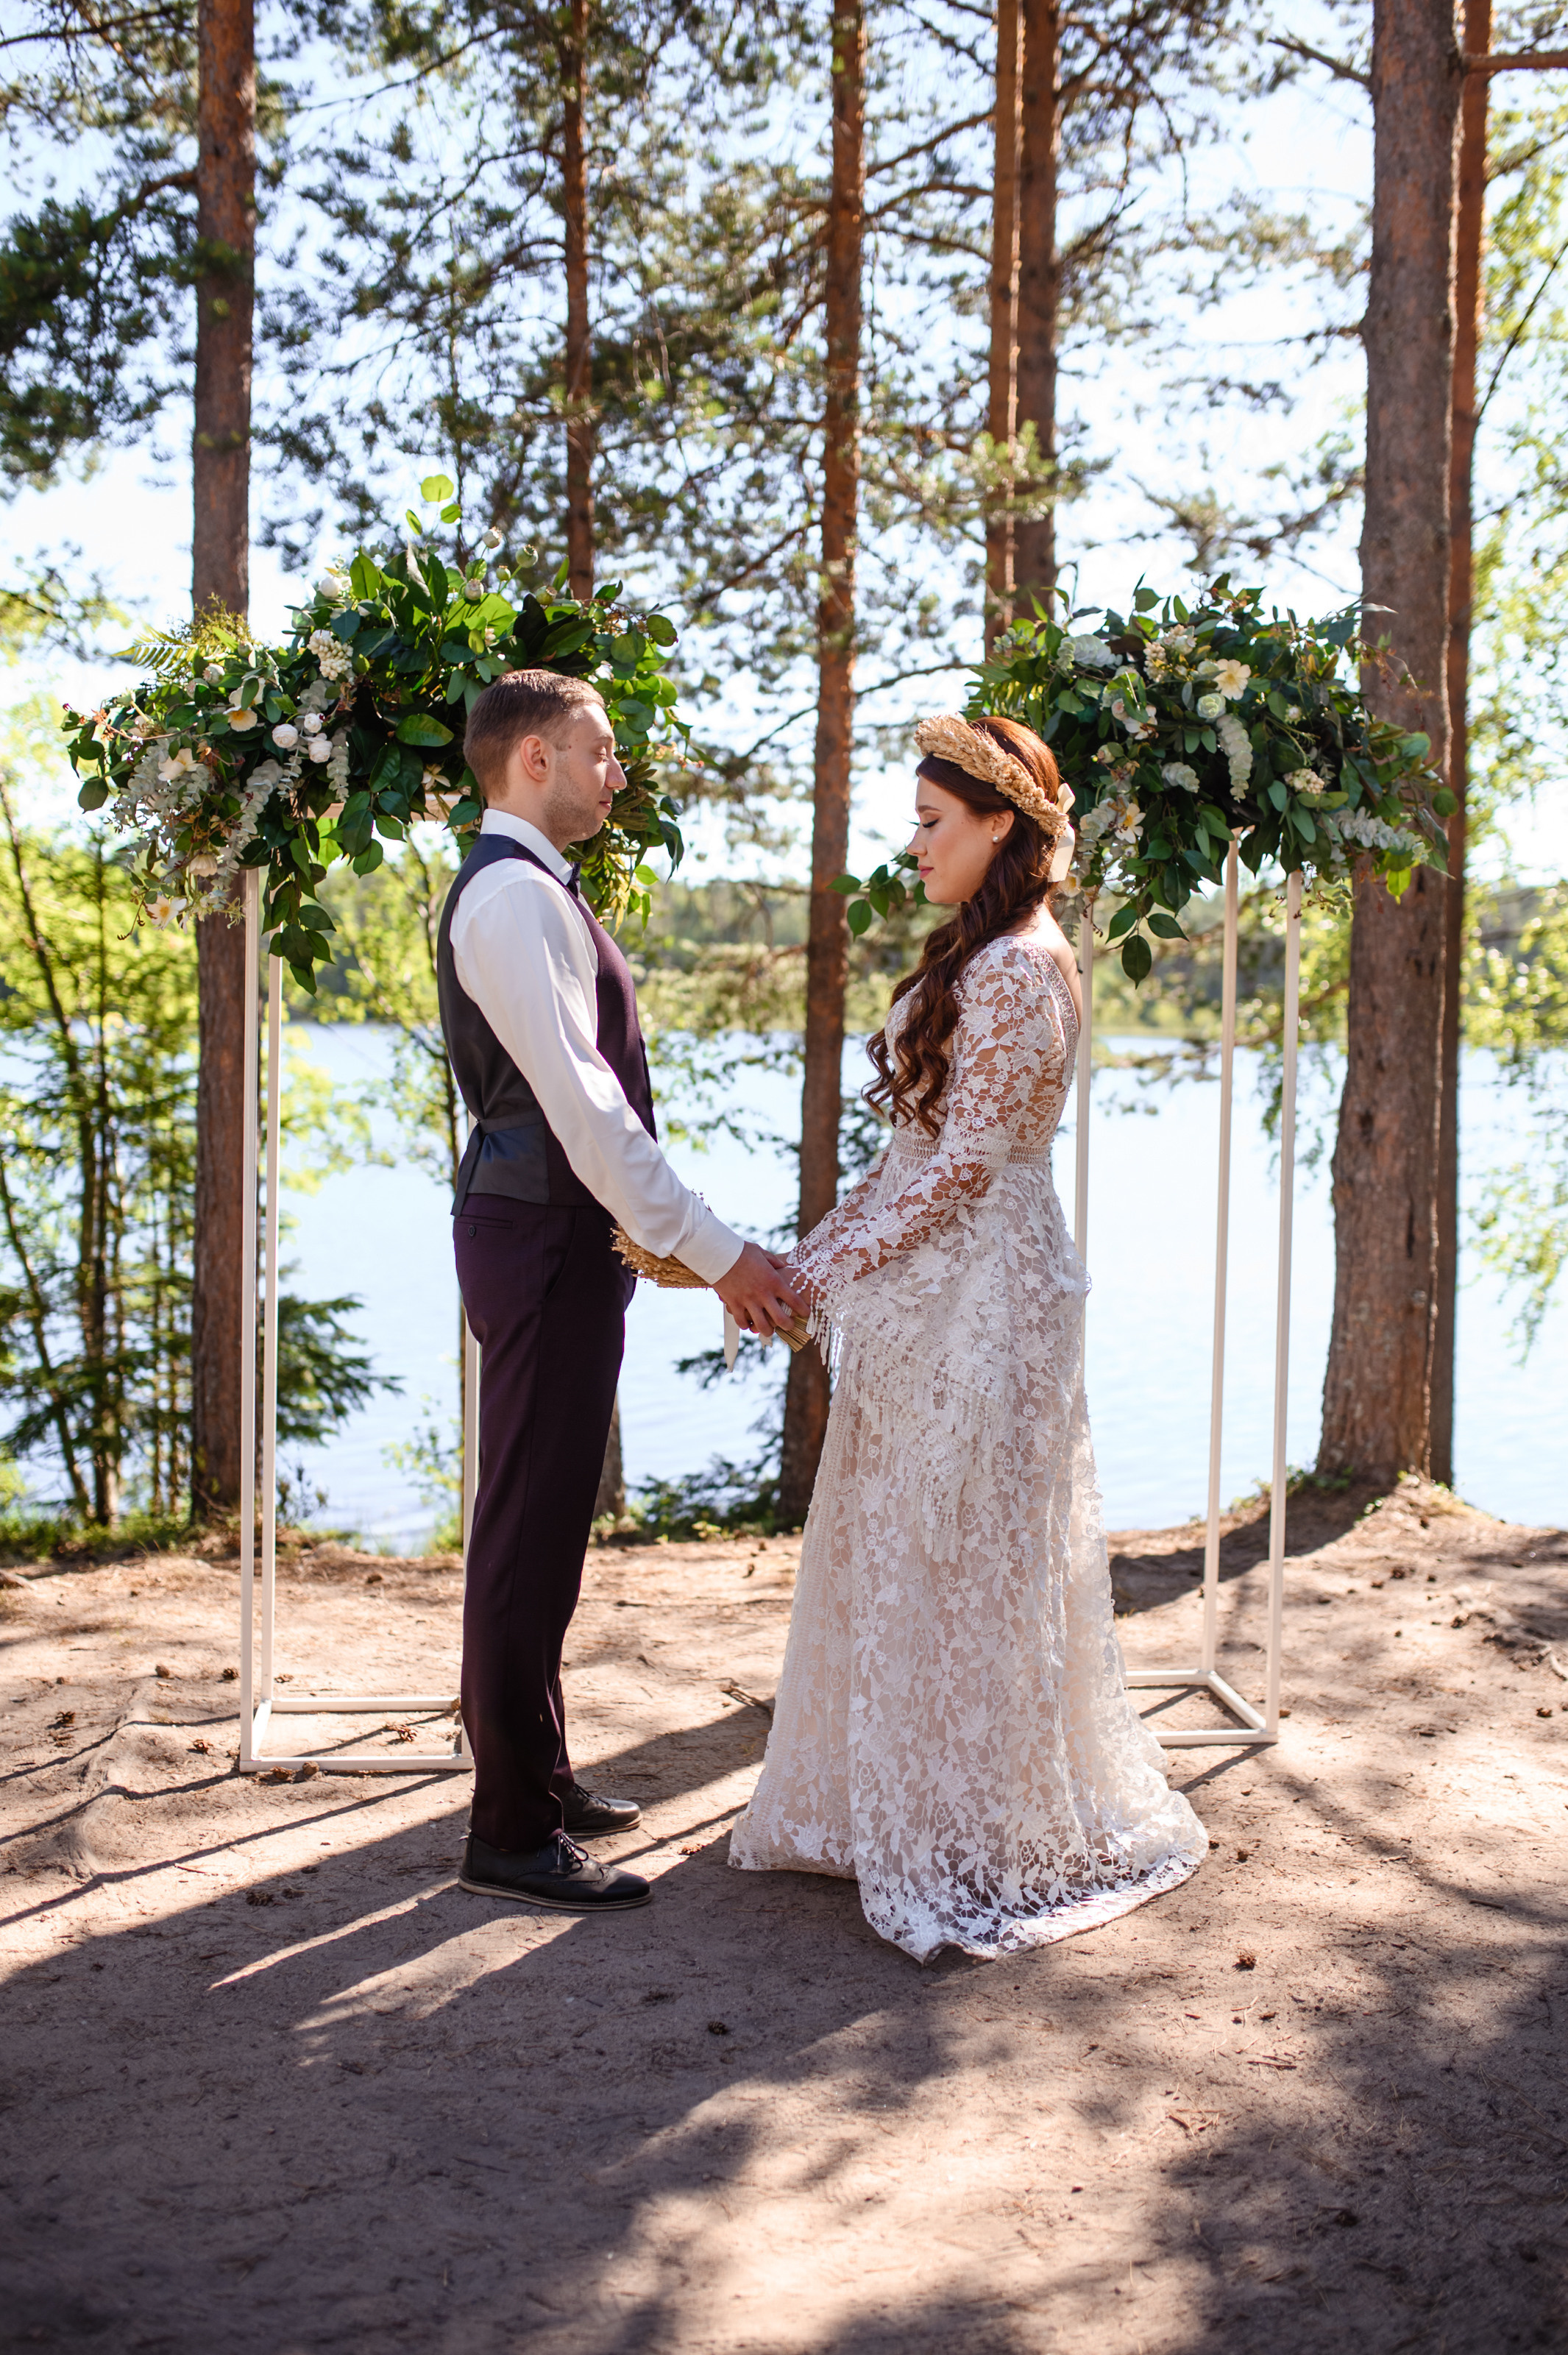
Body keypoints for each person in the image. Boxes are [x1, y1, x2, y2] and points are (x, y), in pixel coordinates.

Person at [729, 712, 1206, 1961]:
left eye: (932, 824)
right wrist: (806, 1256)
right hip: (950, 1281)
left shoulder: (1013, 968)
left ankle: (971, 1827)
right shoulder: (995, 956)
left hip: (987, 1296)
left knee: (964, 1545)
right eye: (912, 823)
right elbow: (912, 1160)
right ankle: (893, 1800)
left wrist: (814, 1269)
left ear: (1000, 826)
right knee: (917, 1540)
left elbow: (959, 1176)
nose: (915, 846)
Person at [438, 668, 806, 1914]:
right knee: (524, 1530)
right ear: (532, 759)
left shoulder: (531, 891)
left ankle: (536, 1773)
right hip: (538, 1234)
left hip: (549, 1234)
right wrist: (716, 1252)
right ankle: (508, 1831)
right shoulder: (512, 900)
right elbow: (586, 1109)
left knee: (546, 1524)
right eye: (600, 749)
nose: (618, 771)